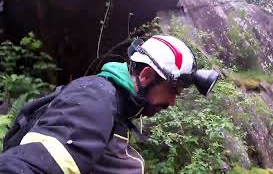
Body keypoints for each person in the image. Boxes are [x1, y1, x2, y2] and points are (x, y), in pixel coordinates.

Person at [0, 35, 219, 174]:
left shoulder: (115, 107)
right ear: (146, 76)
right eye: (172, 91)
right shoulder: (95, 99)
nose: (172, 102)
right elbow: (27, 166)